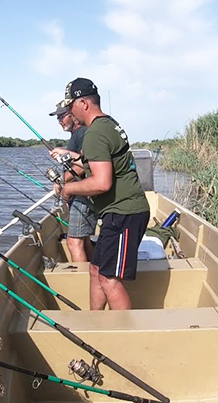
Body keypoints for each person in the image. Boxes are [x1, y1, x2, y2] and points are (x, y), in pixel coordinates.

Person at [49, 78, 150, 310]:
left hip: (125, 212)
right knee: (95, 270)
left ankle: (123, 335)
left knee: (109, 278)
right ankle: (95, 320)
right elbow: (95, 164)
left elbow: (102, 182)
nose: (69, 111)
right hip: (117, 213)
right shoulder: (108, 124)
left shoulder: (95, 133)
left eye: (71, 105)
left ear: (83, 103)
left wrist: (67, 189)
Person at [48, 103, 98, 262]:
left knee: (74, 242)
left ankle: (82, 283)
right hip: (81, 194)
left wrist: (62, 181)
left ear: (73, 115)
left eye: (62, 116)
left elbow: (84, 165)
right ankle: (93, 274)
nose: (60, 121)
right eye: (58, 118)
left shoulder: (82, 133)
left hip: (83, 195)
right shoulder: (77, 134)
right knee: (84, 240)